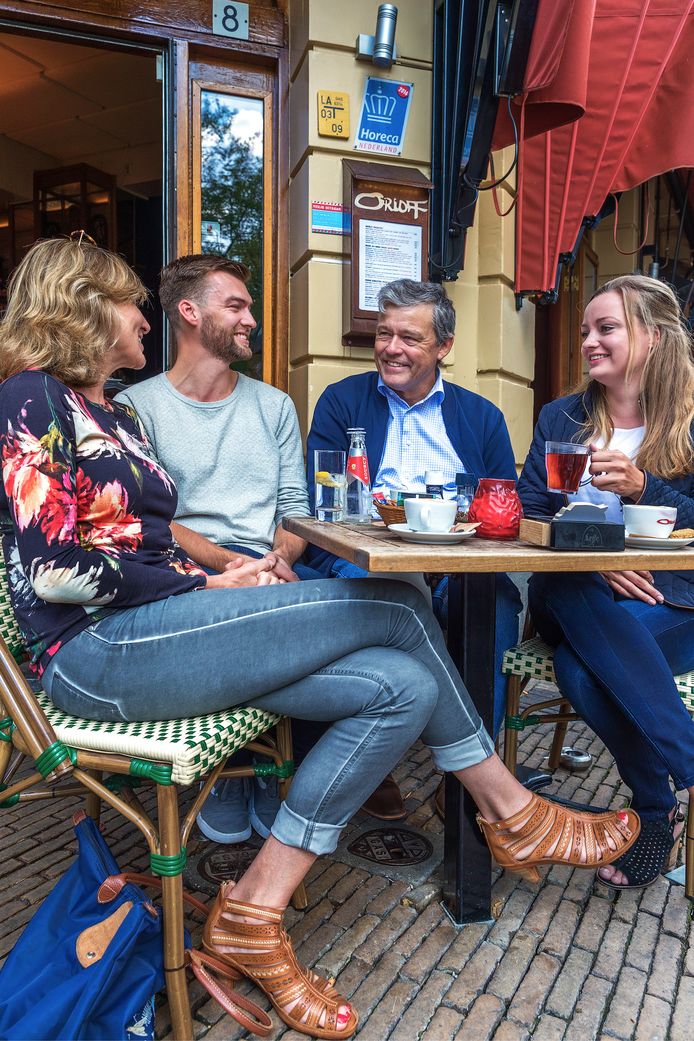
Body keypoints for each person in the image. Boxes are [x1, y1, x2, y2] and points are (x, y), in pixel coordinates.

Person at [0, 237, 639, 1038]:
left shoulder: (112, 410)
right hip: (96, 654)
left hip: (163, 629)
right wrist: (207, 581)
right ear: (82, 308)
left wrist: (213, 581)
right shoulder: (31, 396)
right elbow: (60, 569)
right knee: (397, 606)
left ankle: (254, 911)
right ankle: (511, 808)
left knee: (402, 687)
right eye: (131, 302)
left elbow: (141, 540)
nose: (143, 315)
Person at [116, 253, 315, 844]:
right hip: (188, 570)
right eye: (237, 305)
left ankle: (258, 764)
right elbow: (151, 519)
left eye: (247, 306)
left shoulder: (274, 405)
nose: (251, 318)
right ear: (189, 312)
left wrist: (277, 561)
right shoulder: (136, 409)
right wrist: (229, 565)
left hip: (269, 563)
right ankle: (234, 768)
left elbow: (296, 509)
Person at [306, 279, 523, 815]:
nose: (391, 348)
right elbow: (322, 498)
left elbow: (503, 508)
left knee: (490, 608)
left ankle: (467, 781)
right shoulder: (343, 401)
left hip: (459, 563)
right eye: (384, 334)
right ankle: (371, 767)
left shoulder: (481, 417)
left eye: (409, 337)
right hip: (365, 558)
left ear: (443, 347)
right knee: (373, 598)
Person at [518, 273, 694, 891]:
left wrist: (649, 491)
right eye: (587, 329)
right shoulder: (561, 415)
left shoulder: (691, 420)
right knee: (570, 588)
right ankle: (689, 763)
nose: (589, 341)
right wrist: (594, 556)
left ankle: (654, 814)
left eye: (606, 328)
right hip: (570, 590)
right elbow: (529, 510)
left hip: (669, 600)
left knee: (580, 670)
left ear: (652, 336)